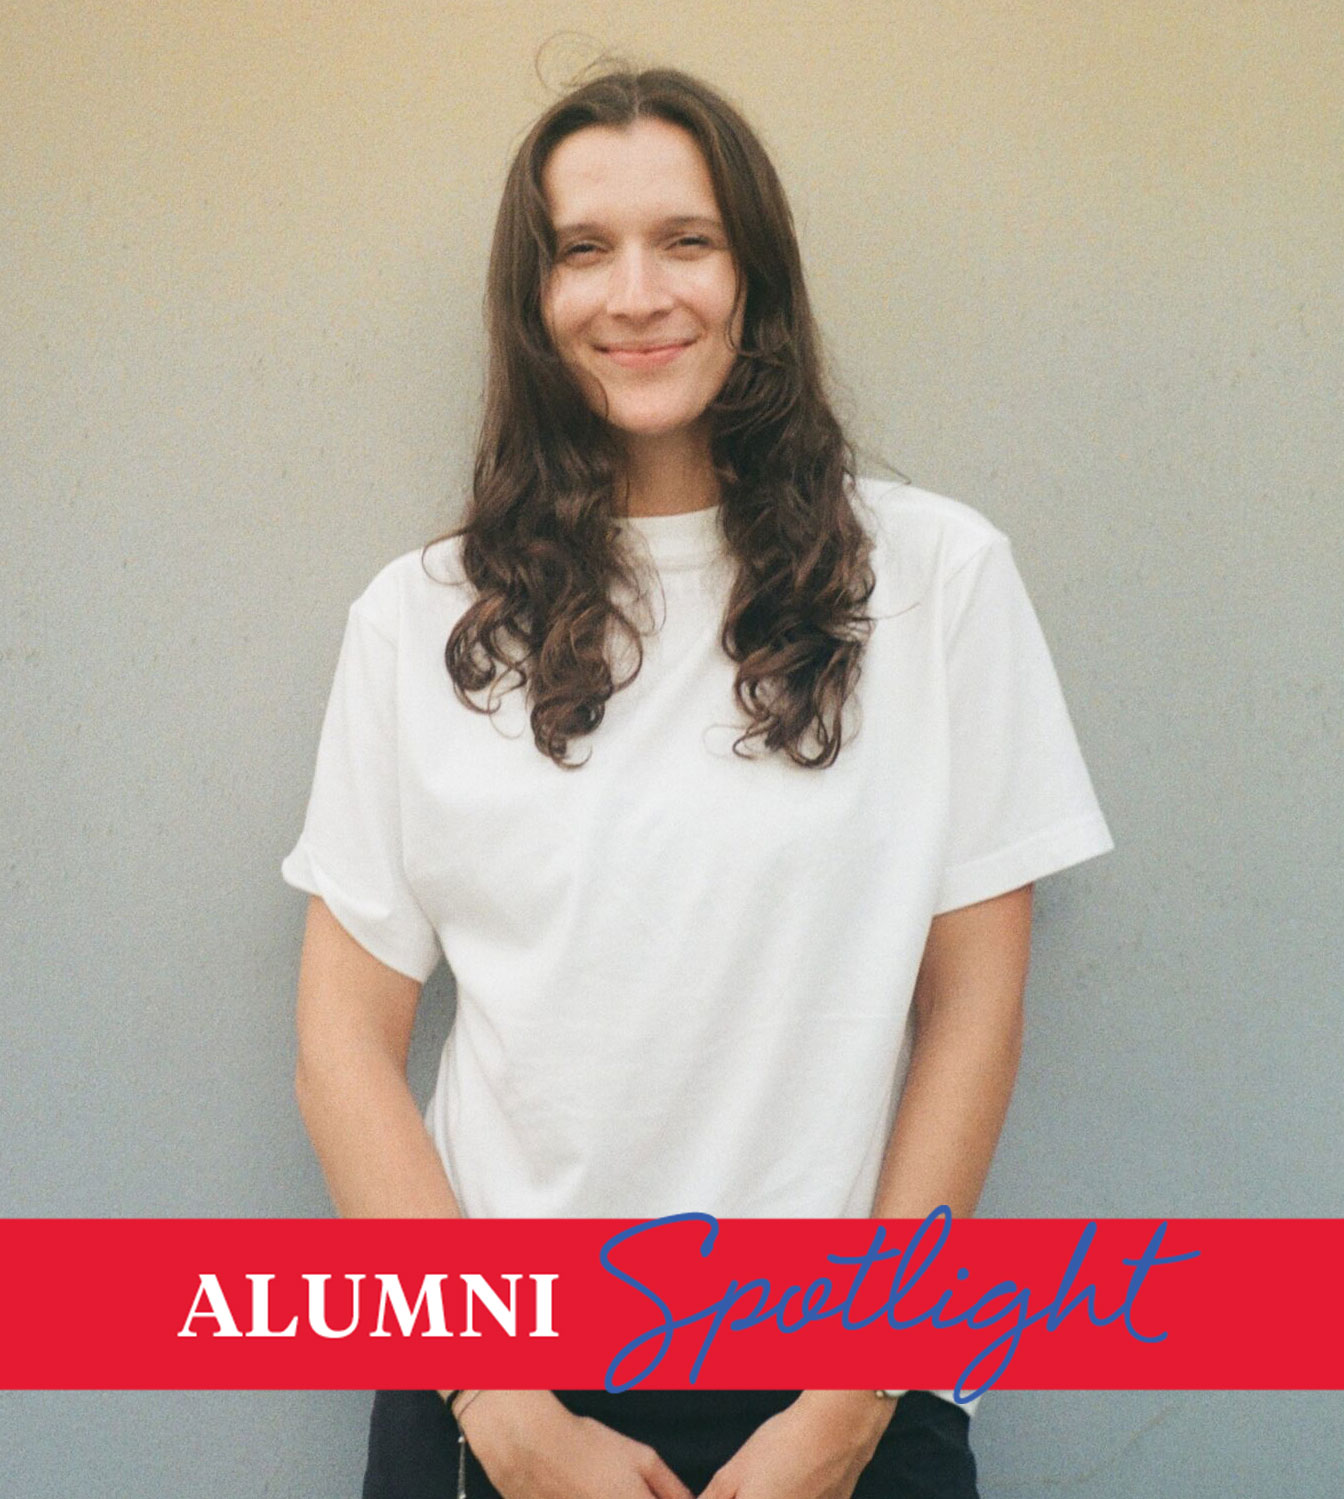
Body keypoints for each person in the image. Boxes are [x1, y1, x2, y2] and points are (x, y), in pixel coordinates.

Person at [282, 65, 1112, 1499]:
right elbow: (343, 1048)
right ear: (531, 302)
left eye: (688, 239)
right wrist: (504, 1405)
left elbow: (975, 1002)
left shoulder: (937, 582)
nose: (637, 294)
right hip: (505, 1396)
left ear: (757, 277)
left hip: (846, 1378)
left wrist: (848, 1405)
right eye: (584, 250)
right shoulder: (418, 620)